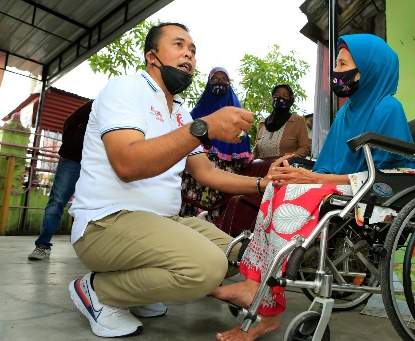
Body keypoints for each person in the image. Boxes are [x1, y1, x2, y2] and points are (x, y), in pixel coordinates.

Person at [66, 22, 285, 338]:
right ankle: (99, 291)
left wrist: (262, 184)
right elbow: (127, 164)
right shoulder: (127, 89)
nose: (189, 55)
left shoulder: (180, 111)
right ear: (152, 57)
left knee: (247, 254)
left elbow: (206, 173)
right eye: (179, 45)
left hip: (162, 221)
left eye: (193, 51)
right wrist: (203, 128)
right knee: (207, 267)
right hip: (105, 222)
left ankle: (137, 291)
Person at [211, 33, 415, 341]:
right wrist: (293, 171)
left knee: (295, 194)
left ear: (369, 69)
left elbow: (392, 174)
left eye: (343, 64)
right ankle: (256, 286)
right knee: (277, 186)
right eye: (335, 63)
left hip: (373, 190)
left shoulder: (388, 109)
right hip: (340, 187)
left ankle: (265, 302)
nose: (336, 71)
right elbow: (325, 166)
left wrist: (312, 180)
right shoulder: (347, 113)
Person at [181, 67, 252, 222]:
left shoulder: (236, 109)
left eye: (223, 80)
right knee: (189, 198)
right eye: (215, 79)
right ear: (209, 82)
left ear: (229, 83)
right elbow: (186, 133)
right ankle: (186, 222)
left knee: (219, 202)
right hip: (197, 161)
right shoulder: (199, 109)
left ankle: (215, 226)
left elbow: (243, 137)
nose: (219, 83)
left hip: (226, 165)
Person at [27, 100, 92, 260]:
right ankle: (42, 246)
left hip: (96, 163)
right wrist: (72, 146)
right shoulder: (99, 102)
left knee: (93, 207)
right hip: (72, 159)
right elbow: (71, 121)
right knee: (57, 201)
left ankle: (89, 250)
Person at [252, 84, 310, 159]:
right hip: (262, 169)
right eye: (276, 95)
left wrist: (286, 160)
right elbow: (255, 152)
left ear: (290, 101)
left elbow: (304, 148)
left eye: (285, 96)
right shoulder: (262, 123)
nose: (280, 98)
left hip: (285, 169)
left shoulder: (297, 121)